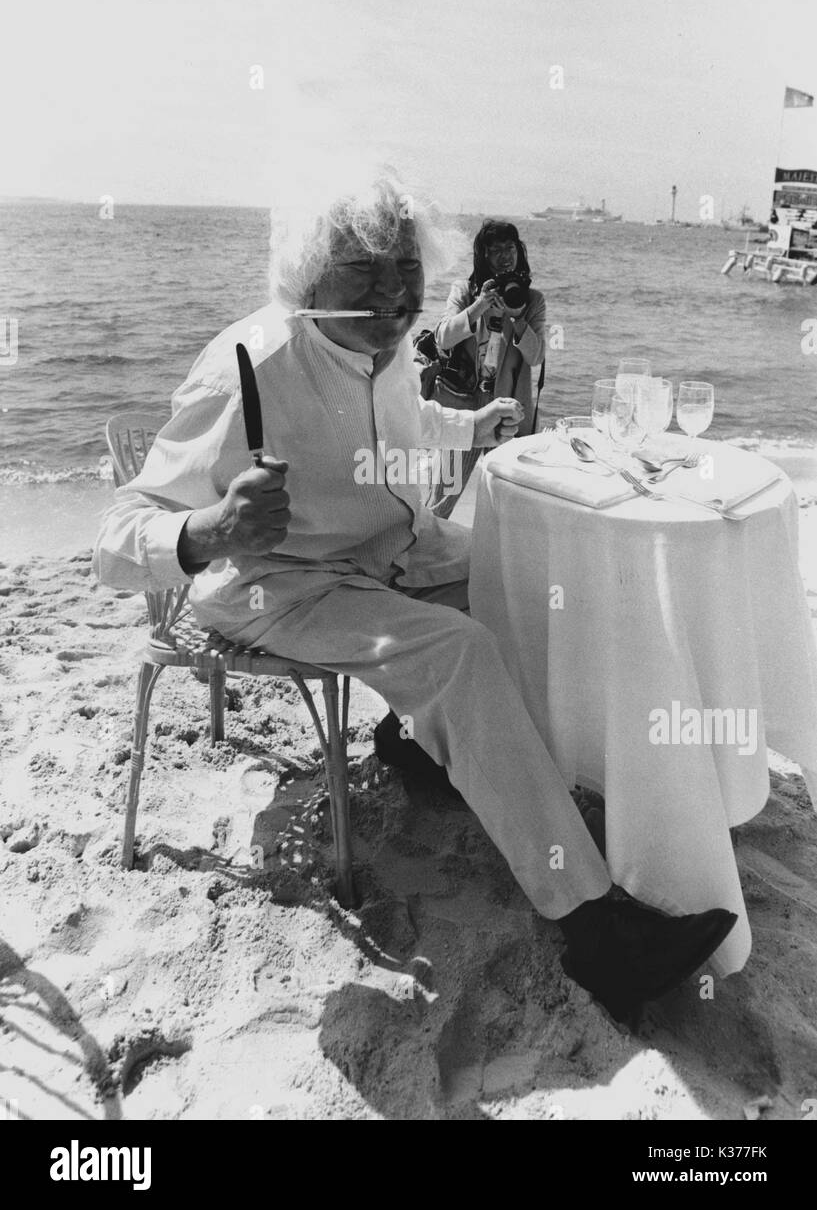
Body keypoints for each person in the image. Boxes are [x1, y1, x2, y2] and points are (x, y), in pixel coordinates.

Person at [93, 168, 735, 1024]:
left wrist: (467, 425)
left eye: (404, 267)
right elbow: (114, 541)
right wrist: (209, 529)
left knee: (539, 579)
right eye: (363, 269)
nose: (393, 294)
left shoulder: (380, 343)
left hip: (390, 547)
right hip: (279, 579)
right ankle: (594, 927)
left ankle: (424, 745)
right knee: (458, 650)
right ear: (307, 276)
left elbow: (400, 420)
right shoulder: (248, 366)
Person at [426, 219, 547, 517]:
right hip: (465, 407)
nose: (504, 256)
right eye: (495, 251)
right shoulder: (465, 291)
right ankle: (420, 551)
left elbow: (537, 357)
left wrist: (518, 318)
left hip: (508, 409)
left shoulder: (531, 300)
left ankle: (496, 559)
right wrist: (479, 305)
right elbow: (442, 337)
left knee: (506, 503)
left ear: (519, 252)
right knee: (443, 496)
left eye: (510, 248)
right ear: (483, 256)